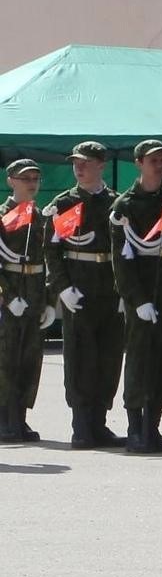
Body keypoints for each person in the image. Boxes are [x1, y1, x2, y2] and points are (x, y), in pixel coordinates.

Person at [110, 137, 162, 453]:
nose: (158, 165)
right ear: (139, 163)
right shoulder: (125, 206)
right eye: (152, 160)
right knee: (140, 360)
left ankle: (153, 425)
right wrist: (137, 300)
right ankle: (134, 427)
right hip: (143, 295)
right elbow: (121, 260)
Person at [45, 139, 125, 448]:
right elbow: (52, 251)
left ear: (100, 165)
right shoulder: (65, 204)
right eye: (76, 162)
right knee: (80, 356)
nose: (79, 167)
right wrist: (62, 288)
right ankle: (81, 425)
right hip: (78, 284)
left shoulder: (117, 203)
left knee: (109, 355)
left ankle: (99, 423)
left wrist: (124, 291)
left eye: (86, 162)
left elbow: (125, 250)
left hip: (110, 286)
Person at [1, 157, 50, 442]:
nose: (31, 184)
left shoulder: (42, 218)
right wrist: (7, 296)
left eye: (35, 179)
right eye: (25, 179)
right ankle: (4, 417)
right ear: (11, 181)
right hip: (9, 297)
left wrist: (49, 301)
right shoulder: (3, 216)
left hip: (34, 294)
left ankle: (20, 416)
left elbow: (49, 261)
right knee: (5, 359)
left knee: (29, 359)